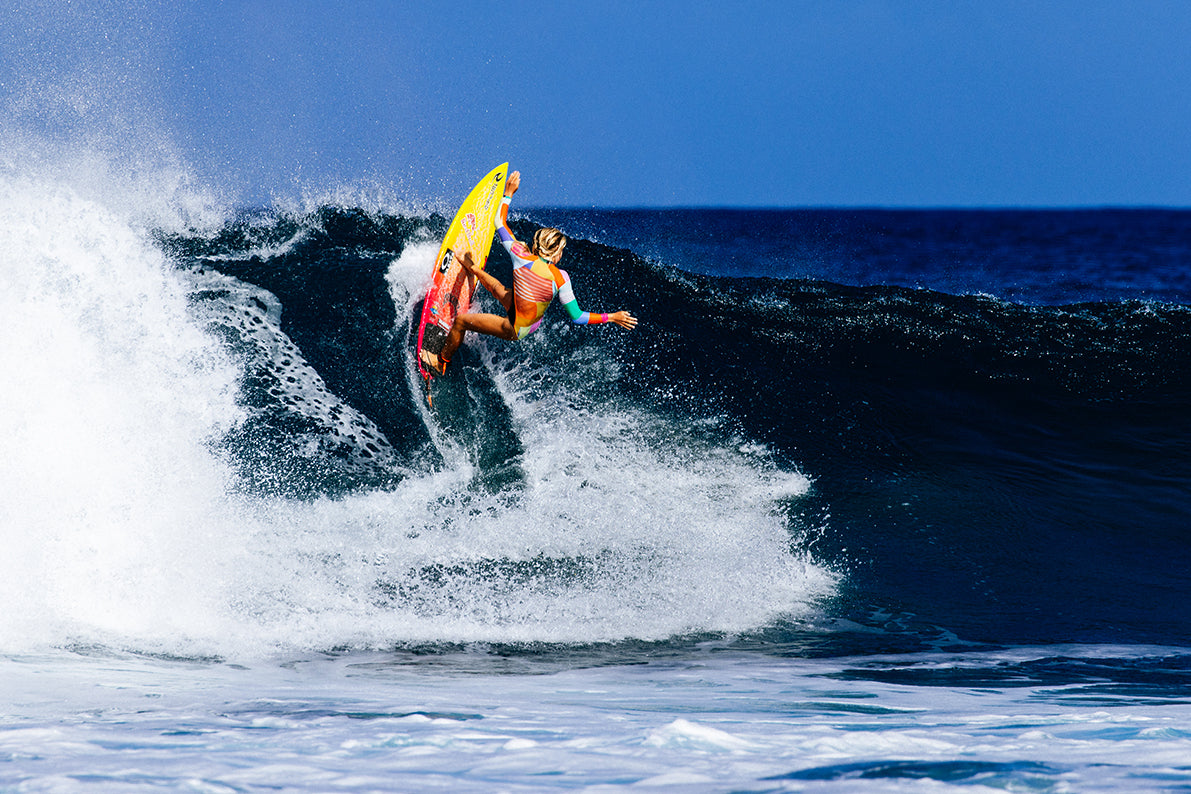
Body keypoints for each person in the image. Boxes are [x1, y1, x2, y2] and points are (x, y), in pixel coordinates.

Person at [419, 170, 638, 374]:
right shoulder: (562, 278)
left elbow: (498, 222)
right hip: (530, 322)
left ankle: (441, 361)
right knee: (498, 289)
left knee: (461, 322)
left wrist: (508, 193)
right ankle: (472, 267)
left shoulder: (521, 254)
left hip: (515, 327)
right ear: (556, 253)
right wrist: (612, 317)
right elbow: (578, 317)